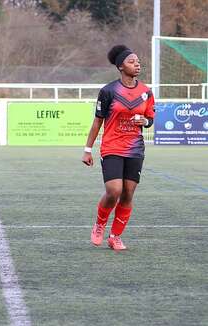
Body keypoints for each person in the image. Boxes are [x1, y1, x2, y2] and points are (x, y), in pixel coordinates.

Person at [82, 45, 155, 250]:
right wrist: (87, 150)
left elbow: (150, 119)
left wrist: (145, 122)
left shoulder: (146, 92)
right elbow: (97, 122)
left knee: (128, 194)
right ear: (121, 67)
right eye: (132, 61)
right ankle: (99, 225)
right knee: (114, 190)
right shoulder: (108, 91)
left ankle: (115, 236)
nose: (137, 64)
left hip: (135, 148)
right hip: (112, 146)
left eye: (138, 61)